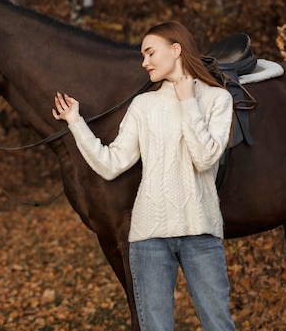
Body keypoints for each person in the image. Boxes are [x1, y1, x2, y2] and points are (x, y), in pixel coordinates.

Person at [52, 21, 235, 331]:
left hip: (200, 235)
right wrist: (75, 122)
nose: (144, 63)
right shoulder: (143, 105)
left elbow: (204, 159)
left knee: (219, 325)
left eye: (150, 53)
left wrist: (188, 101)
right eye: (142, 55)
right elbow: (111, 164)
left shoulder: (217, 99)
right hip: (148, 239)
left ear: (176, 49)